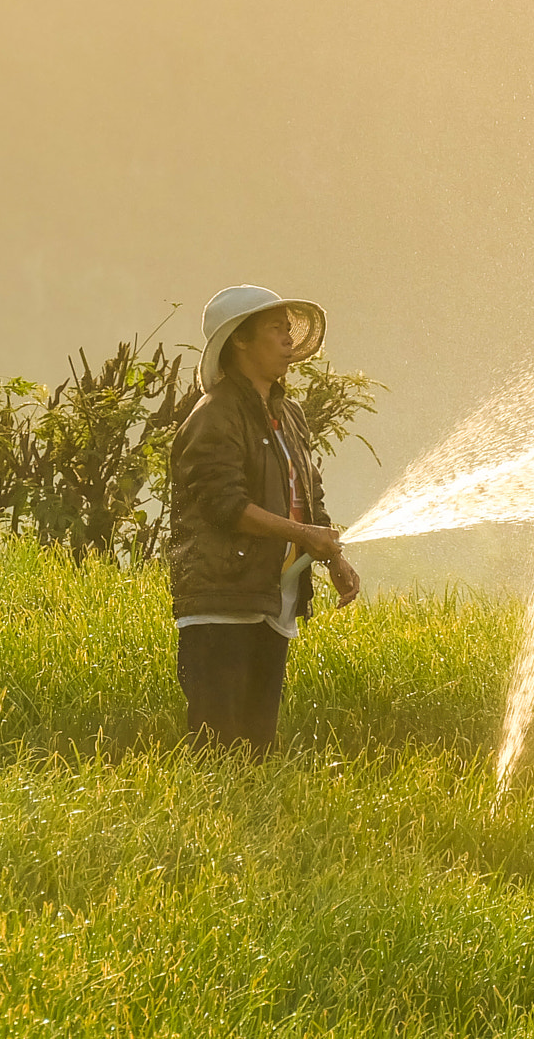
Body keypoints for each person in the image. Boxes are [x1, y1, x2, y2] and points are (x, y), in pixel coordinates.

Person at [169, 284, 362, 755]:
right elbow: (225, 506)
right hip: (222, 601)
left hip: (271, 600)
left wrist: (333, 557)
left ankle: (250, 827)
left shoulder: (289, 415)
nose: (288, 340)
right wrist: (303, 535)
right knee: (218, 749)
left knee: (258, 748)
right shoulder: (214, 414)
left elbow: (308, 495)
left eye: (289, 330)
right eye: (276, 329)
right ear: (239, 339)